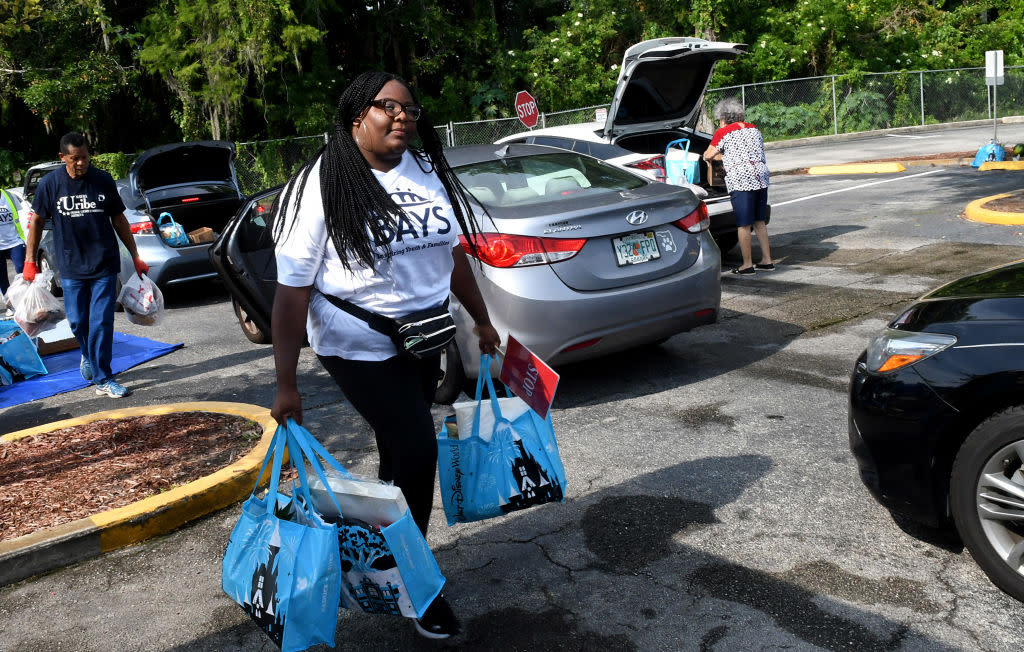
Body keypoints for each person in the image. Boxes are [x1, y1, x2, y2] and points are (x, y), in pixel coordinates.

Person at [270, 71, 500, 640]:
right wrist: (286, 383)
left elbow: (451, 254)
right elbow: (292, 291)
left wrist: (482, 320)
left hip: (425, 336)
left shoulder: (424, 171)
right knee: (417, 449)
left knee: (399, 454)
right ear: (356, 118)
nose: (403, 116)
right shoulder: (322, 183)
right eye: (387, 107)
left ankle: (380, 552)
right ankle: (416, 584)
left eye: (410, 109)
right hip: (358, 347)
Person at [23, 132, 149, 398]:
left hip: (104, 262)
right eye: (74, 159)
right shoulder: (50, 184)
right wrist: (29, 260)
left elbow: (119, 220)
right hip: (70, 265)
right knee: (79, 322)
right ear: (62, 158)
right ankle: (88, 354)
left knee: (101, 322)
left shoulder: (102, 180)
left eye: (84, 157)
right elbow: (35, 222)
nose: (81, 163)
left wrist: (135, 255)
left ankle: (104, 378)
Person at [703, 97, 774, 275]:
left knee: (743, 224)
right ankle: (767, 260)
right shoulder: (753, 128)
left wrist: (710, 154)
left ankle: (747, 265)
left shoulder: (723, 132)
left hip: (741, 179)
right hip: (761, 175)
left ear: (723, 118)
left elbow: (708, 154)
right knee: (759, 221)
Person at [0, 186, 26, 300]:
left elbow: (22, 215)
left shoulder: (9, 196)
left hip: (15, 241)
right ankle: (9, 303)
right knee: (2, 277)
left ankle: (25, 299)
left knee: (22, 269)